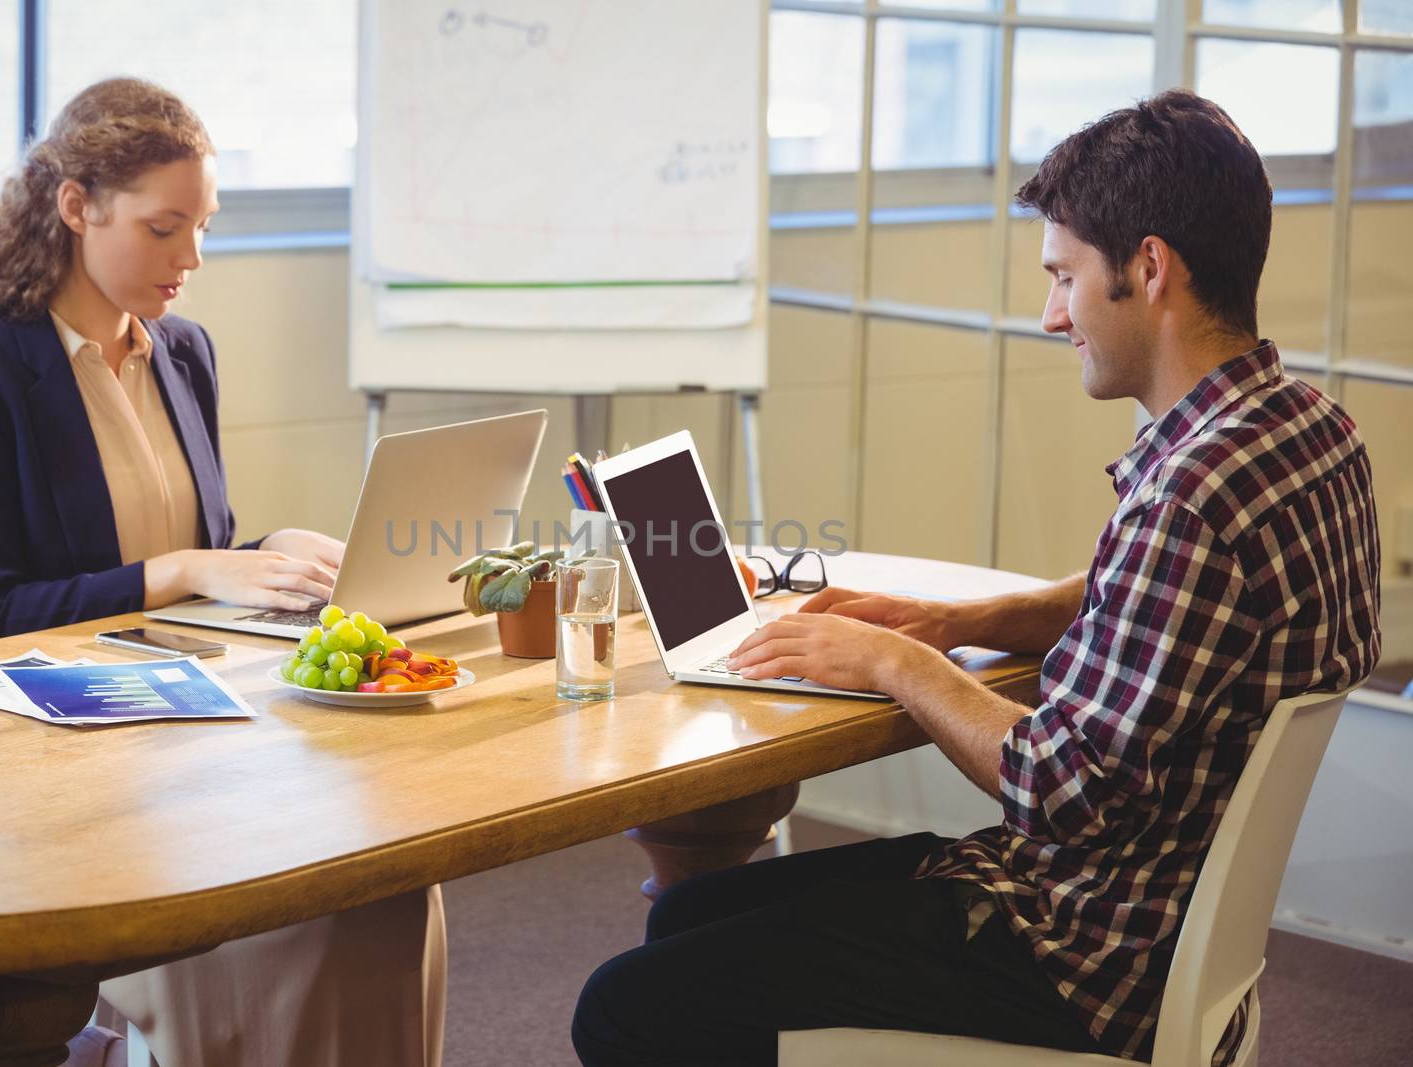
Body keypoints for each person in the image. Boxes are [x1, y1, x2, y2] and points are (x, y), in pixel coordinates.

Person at [572, 89, 1381, 1067]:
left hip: (1078, 953)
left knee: (624, 1005)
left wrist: (893, 662)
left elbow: (1057, 788)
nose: (1050, 315)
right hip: (1146, 918)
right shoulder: (1300, 430)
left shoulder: (1190, 495)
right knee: (697, 910)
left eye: (1064, 275)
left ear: (1150, 268)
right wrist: (952, 618)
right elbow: (1139, 598)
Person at [0, 78, 446, 1067]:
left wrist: (267, 551)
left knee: (388, 880)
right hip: (71, 787)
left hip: (204, 740)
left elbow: (200, 551)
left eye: (202, 225)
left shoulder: (183, 351)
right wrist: (185, 566)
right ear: (75, 207)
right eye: (162, 227)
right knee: (320, 911)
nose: (191, 258)